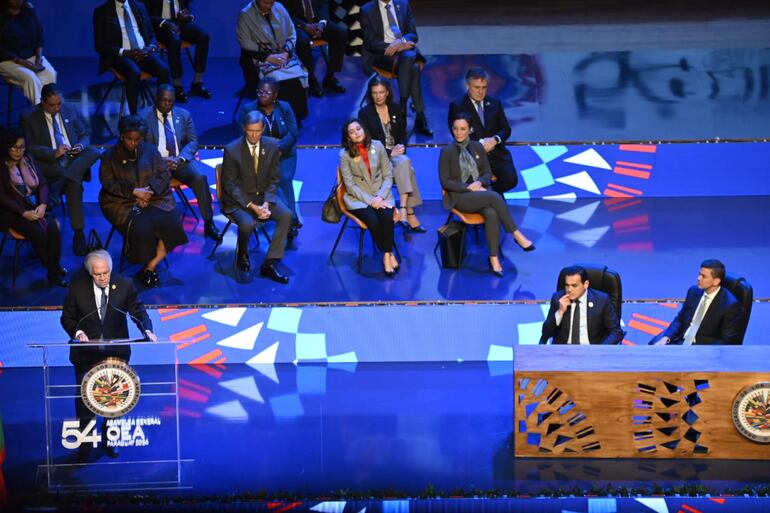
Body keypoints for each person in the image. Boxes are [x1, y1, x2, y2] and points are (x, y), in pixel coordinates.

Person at [60, 249, 156, 457]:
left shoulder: (124, 285)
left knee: (114, 399)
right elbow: (66, 318)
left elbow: (138, 311)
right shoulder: (77, 288)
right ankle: (86, 442)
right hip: (86, 354)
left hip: (115, 352)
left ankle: (111, 438)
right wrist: (78, 331)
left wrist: (146, 329)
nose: (103, 278)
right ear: (90, 273)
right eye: (98, 274)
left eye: (106, 273)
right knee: (85, 398)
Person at [98, 115, 188, 288]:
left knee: (173, 223)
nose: (133, 143)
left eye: (137, 139)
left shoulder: (151, 151)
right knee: (141, 227)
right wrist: (134, 193)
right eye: (130, 139)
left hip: (153, 198)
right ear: (122, 136)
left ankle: (150, 267)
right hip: (122, 202)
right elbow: (108, 184)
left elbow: (164, 175)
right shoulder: (108, 157)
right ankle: (144, 262)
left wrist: (149, 191)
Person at [439, 114, 534, 276]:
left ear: (470, 130)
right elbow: (445, 181)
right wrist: (469, 187)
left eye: (463, 129)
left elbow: (487, 173)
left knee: (491, 213)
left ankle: (493, 257)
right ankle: (516, 234)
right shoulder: (446, 152)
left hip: (481, 192)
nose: (459, 132)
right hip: (460, 196)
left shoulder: (477, 147)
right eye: (455, 129)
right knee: (495, 197)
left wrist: (480, 183)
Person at [22, 84, 101, 256]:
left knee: (95, 151)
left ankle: (56, 192)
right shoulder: (30, 117)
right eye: (52, 105)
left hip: (73, 159)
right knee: (75, 183)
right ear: (42, 102)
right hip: (50, 165)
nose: (57, 108)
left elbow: (85, 134)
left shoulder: (69, 109)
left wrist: (79, 145)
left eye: (59, 104)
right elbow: (29, 148)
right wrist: (53, 152)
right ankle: (79, 232)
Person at [221, 111, 292, 284]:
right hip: (239, 200)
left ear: (263, 129)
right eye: (250, 131)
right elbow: (230, 185)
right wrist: (253, 206)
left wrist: (267, 203)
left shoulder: (273, 146)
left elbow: (275, 179)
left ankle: (270, 263)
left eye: (258, 131)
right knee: (246, 224)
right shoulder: (232, 149)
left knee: (286, 215)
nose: (254, 135)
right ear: (244, 128)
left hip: (264, 198)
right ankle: (242, 254)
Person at [141, 84, 220, 240]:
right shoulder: (144, 116)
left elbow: (193, 142)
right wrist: (161, 160)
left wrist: (180, 158)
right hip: (155, 163)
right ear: (156, 99)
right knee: (147, 182)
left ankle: (209, 222)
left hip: (180, 161)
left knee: (200, 178)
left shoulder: (184, 115)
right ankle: (150, 225)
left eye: (170, 101)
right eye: (164, 100)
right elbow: (140, 146)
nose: (167, 104)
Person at [0, 127, 68, 287]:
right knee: (38, 233)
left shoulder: (28, 159)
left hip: (35, 205)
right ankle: (54, 272)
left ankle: (53, 268)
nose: (19, 151)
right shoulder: (1, 166)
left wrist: (43, 204)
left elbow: (43, 183)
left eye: (22, 147)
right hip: (13, 211)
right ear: (6, 147)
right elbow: (2, 197)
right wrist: (23, 213)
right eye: (14, 147)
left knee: (53, 228)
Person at [358, 75, 424, 233]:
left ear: (387, 92)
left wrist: (401, 146)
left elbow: (403, 134)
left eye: (381, 92)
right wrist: (389, 152)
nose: (378, 96)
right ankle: (407, 211)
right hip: (377, 160)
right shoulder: (365, 114)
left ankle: (405, 212)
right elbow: (365, 144)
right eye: (374, 93)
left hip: (397, 156)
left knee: (404, 163)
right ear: (370, 94)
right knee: (407, 167)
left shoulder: (395, 108)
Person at [238, 76, 301, 241]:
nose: (262, 95)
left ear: (275, 95)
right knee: (273, 180)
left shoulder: (285, 107)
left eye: (267, 92)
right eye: (260, 91)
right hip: (260, 156)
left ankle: (290, 218)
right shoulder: (248, 110)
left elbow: (293, 133)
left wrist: (280, 147)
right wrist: (272, 148)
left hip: (285, 153)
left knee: (284, 178)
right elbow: (246, 137)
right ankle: (291, 219)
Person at [359, 0, 432, 137]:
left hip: (403, 48)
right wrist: (391, 47)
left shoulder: (403, 4)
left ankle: (403, 109)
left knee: (410, 62)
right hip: (382, 53)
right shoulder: (367, 10)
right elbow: (370, 42)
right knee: (412, 65)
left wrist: (401, 42)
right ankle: (418, 115)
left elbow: (413, 34)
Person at [339, 119, 399, 276]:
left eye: (358, 129)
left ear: (363, 129)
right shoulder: (344, 155)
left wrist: (379, 197)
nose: (356, 133)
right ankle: (389, 253)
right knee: (373, 221)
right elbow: (350, 185)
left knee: (386, 218)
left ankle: (386, 255)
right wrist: (371, 201)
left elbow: (388, 175)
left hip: (382, 194)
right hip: (359, 199)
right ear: (348, 138)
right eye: (351, 132)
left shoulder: (378, 146)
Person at [93, 0, 171, 115]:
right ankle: (134, 117)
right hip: (119, 55)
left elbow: (151, 34)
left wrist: (150, 48)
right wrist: (125, 52)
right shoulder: (101, 12)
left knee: (164, 70)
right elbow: (99, 46)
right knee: (134, 72)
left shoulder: (139, 6)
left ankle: (162, 111)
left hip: (143, 51)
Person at [448, 67, 518, 194]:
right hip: (473, 156)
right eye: (476, 87)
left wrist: (495, 139)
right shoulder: (457, 106)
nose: (480, 92)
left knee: (511, 180)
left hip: (497, 154)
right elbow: (457, 134)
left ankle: (490, 193)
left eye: (484, 87)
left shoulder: (495, 104)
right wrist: (480, 144)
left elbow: (505, 129)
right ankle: (490, 198)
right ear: (467, 86)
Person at [237, 0, 309, 121]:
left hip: (283, 54)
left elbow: (292, 32)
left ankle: (296, 115)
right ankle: (278, 118)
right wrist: (268, 57)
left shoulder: (279, 7)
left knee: (298, 75)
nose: (269, 6)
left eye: (271, 3)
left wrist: (286, 52)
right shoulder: (246, 15)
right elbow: (245, 43)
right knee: (277, 78)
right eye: (265, 3)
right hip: (262, 57)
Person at [650, 259, 742, 345]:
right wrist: (667, 337)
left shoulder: (729, 305)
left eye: (703, 277)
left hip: (703, 350)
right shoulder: (694, 292)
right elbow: (680, 319)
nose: (698, 278)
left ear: (716, 281)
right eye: (699, 274)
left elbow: (726, 341)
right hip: (681, 342)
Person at [141, 0, 212, 101]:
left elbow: (187, 9)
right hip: (160, 27)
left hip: (180, 24)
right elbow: (145, 15)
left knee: (204, 36)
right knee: (175, 40)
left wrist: (189, 16)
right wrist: (165, 23)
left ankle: (197, 82)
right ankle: (177, 86)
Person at [278, 0, 346, 97]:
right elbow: (284, 13)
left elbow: (324, 3)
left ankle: (330, 77)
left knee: (341, 34)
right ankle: (311, 80)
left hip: (318, 22)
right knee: (303, 41)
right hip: (298, 25)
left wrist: (322, 23)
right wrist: (304, 26)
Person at [540, 265, 623, 345]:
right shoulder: (558, 298)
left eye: (574, 285)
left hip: (592, 352)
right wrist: (560, 312)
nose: (569, 290)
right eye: (567, 285)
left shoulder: (601, 300)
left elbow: (615, 331)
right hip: (563, 352)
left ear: (586, 284)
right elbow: (546, 333)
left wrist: (599, 350)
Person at [0, 0, 56, 104]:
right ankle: (39, 116)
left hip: (31, 56)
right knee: (30, 78)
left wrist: (38, 59)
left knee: (49, 73)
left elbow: (39, 35)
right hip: (7, 60)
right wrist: (23, 63)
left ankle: (50, 113)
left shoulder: (29, 10)